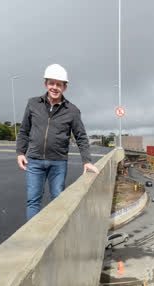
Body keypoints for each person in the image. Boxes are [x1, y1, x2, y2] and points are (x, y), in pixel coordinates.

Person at [16, 64, 99, 220]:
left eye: (58, 84)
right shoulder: (33, 103)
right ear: (46, 84)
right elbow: (24, 130)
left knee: (58, 202)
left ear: (64, 87)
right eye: (51, 83)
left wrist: (87, 161)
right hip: (34, 161)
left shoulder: (72, 111)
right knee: (33, 201)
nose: (54, 87)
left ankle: (55, 238)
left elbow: (81, 137)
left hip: (58, 163)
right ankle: (34, 240)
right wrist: (20, 152)